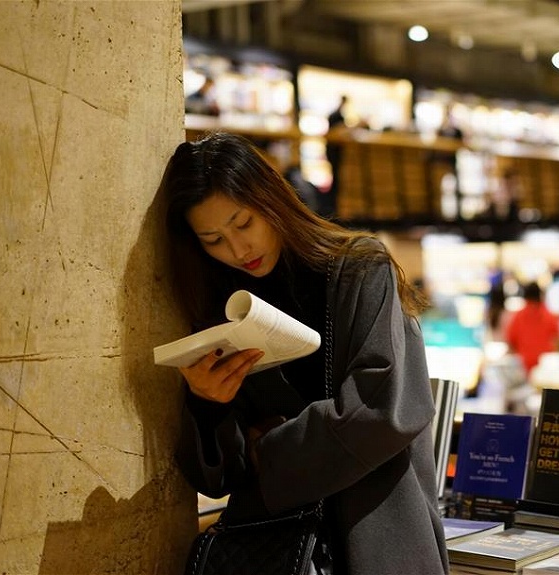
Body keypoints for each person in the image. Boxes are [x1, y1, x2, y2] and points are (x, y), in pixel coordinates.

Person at [158, 132, 448, 575]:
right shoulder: (224, 310)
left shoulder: (360, 269)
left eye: (243, 223)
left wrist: (267, 451)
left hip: (380, 538)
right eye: (213, 239)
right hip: (278, 553)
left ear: (272, 200)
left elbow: (382, 411)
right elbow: (219, 479)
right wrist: (207, 405)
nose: (237, 249)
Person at [504, 282, 559, 375]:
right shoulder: (550, 316)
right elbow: (558, 339)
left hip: (524, 365)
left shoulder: (518, 316)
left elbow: (511, 340)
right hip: (544, 367)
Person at [324, 95, 349, 218]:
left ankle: (332, 205)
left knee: (335, 177)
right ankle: (332, 206)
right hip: (334, 150)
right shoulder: (337, 115)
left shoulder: (335, 114)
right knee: (335, 178)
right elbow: (338, 132)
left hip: (331, 149)